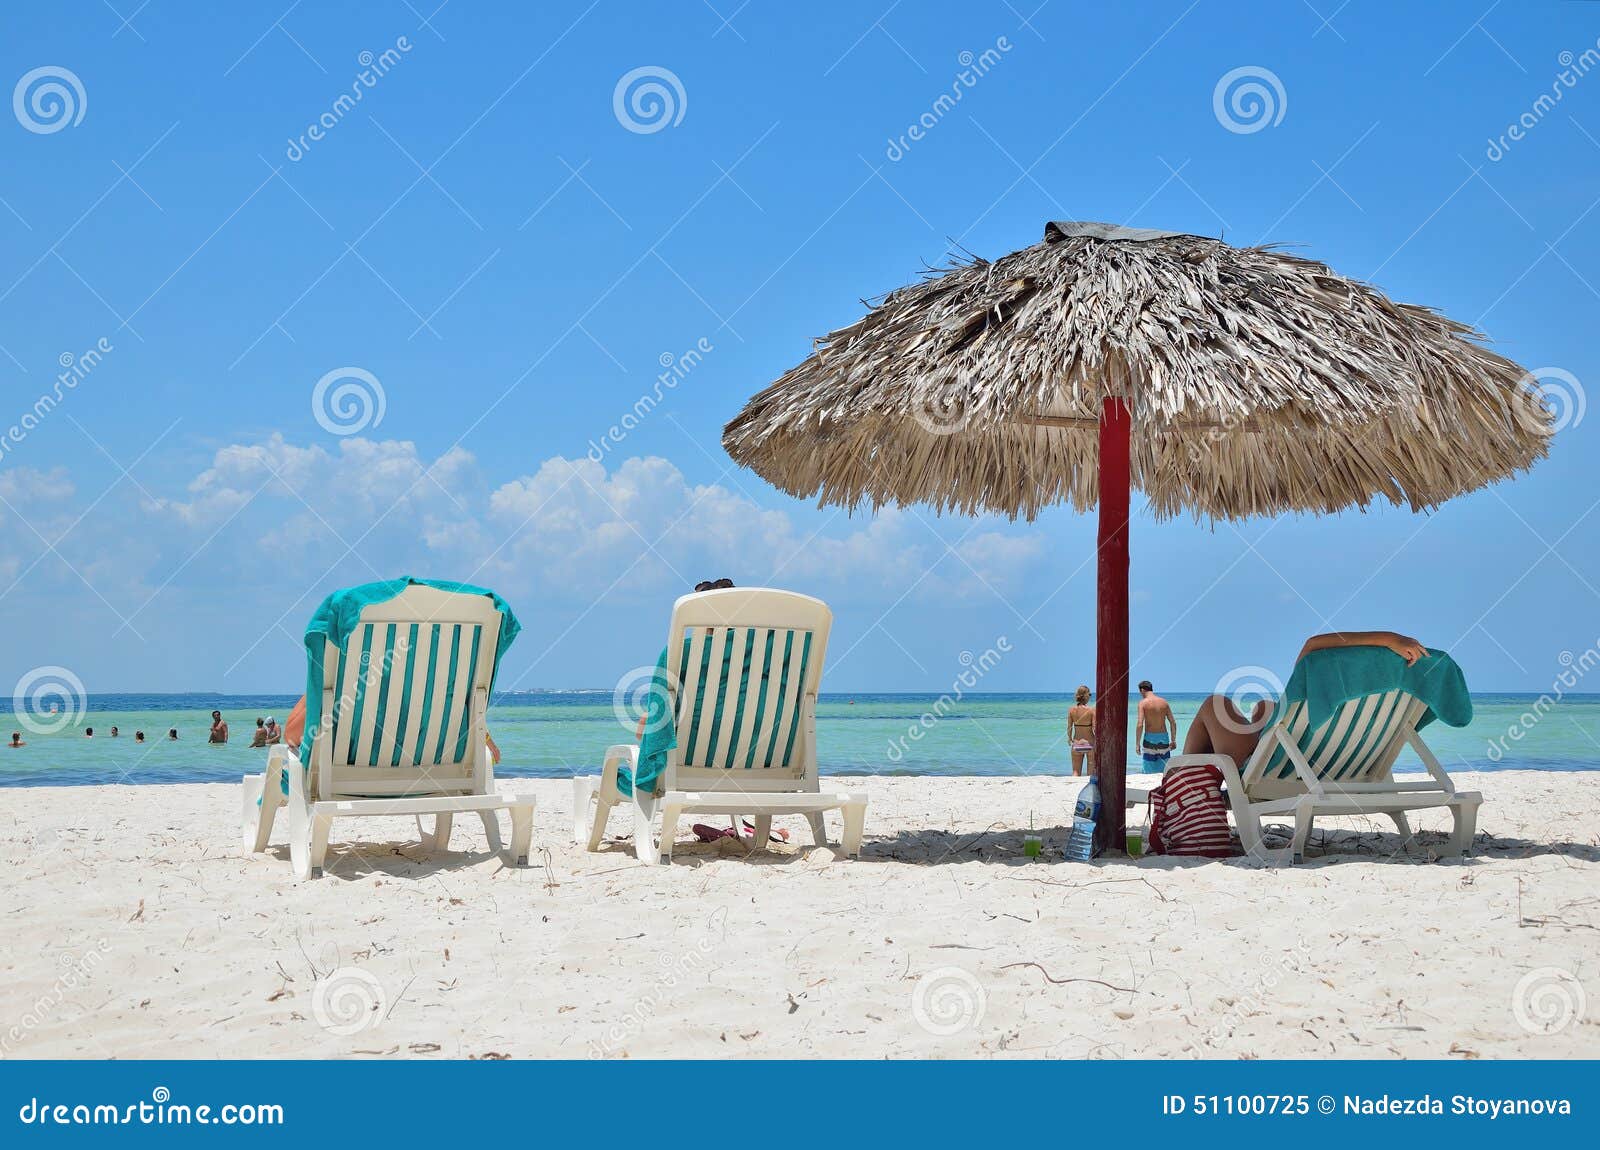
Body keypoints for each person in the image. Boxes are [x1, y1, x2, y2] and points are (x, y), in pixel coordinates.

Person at [1183, 630, 1429, 763]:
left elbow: (1313, 643)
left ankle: (1177, 788)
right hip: (1330, 765)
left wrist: (1388, 638)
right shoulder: (1380, 713)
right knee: (1264, 707)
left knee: (1216, 704)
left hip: (1275, 765)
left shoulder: (1316, 687)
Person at [1135, 680, 1176, 771]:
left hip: (1150, 740)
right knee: (1164, 770)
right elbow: (1173, 722)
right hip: (1164, 739)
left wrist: (1137, 744)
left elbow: (1140, 724)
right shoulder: (1164, 702)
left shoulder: (1142, 703)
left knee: (1148, 769)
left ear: (1142, 690)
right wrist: (1173, 740)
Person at [1066, 685, 1094, 777]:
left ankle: (1074, 789)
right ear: (1085, 696)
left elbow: (1069, 727)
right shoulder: (1091, 710)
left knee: (1075, 772)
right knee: (1090, 774)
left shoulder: (1071, 710)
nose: (1090, 696)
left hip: (1077, 743)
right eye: (1089, 694)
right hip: (1090, 744)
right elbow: (1095, 728)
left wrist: (1069, 738)